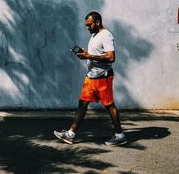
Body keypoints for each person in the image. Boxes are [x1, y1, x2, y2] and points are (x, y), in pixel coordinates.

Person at [54, 11, 127, 146]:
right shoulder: (94, 35)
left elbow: (111, 57)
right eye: (86, 25)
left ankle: (120, 135)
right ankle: (70, 134)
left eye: (89, 25)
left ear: (97, 22)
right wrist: (87, 54)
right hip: (91, 77)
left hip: (102, 78)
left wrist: (89, 57)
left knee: (109, 106)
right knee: (82, 104)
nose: (87, 27)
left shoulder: (106, 35)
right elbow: (96, 53)